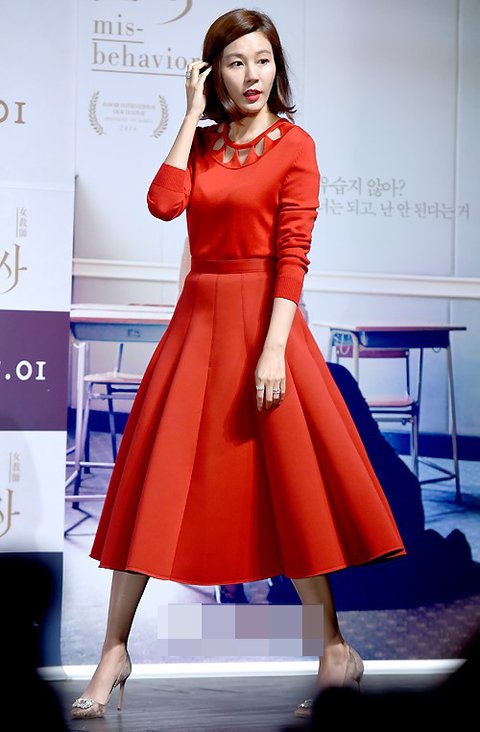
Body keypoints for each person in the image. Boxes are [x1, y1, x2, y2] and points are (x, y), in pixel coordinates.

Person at [70, 8, 406, 721]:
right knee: (154, 486)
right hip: (197, 324)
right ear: (213, 72)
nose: (252, 76)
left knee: (292, 494)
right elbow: (164, 205)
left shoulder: (296, 146)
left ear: (276, 68)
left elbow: (293, 253)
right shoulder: (204, 143)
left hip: (265, 327)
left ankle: (334, 649)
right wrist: (189, 116)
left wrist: (275, 347)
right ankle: (114, 651)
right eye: (235, 63)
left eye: (263, 60)